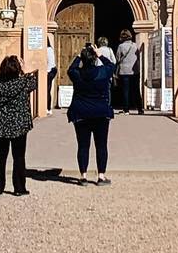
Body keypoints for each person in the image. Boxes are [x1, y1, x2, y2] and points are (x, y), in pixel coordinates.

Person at [0, 54, 38, 196]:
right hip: (19, 124)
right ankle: (19, 187)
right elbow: (33, 82)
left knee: (0, 156)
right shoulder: (24, 82)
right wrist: (24, 69)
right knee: (19, 156)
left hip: (0, 123)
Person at [67, 44, 117, 184]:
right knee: (101, 145)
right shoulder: (103, 72)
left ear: (83, 60)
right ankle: (101, 176)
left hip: (81, 113)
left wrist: (78, 55)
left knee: (83, 145)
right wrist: (99, 53)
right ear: (95, 59)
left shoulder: (77, 74)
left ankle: (83, 176)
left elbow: (70, 69)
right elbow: (112, 65)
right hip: (100, 112)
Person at [114, 28, 141, 112]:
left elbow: (117, 59)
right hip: (135, 71)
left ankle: (126, 109)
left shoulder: (121, 46)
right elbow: (138, 57)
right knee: (136, 90)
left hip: (124, 71)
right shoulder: (135, 45)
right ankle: (140, 108)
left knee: (125, 91)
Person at [46, 29, 57, 109]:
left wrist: (47, 72)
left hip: (51, 70)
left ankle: (48, 107)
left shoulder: (49, 50)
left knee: (47, 89)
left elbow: (51, 62)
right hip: (49, 70)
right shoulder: (46, 49)